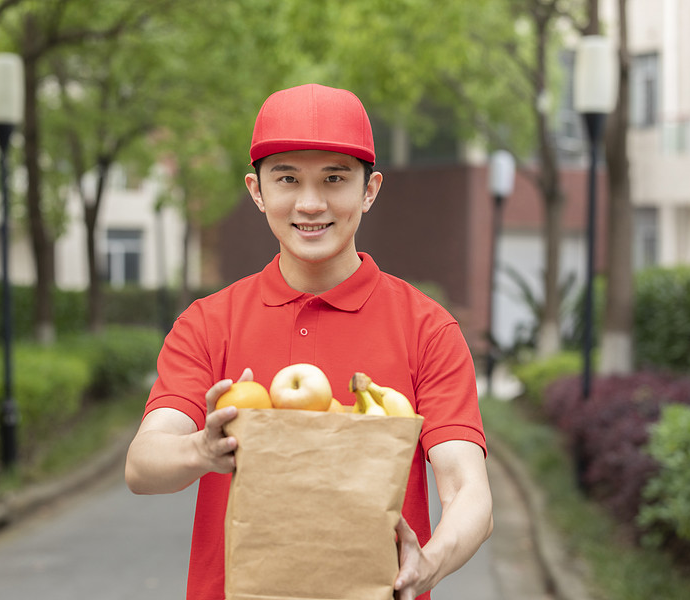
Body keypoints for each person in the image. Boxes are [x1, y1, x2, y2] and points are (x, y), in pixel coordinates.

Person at [125, 83, 493, 600]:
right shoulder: (208, 323)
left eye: (335, 178)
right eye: (288, 179)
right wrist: (203, 449)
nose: (311, 202)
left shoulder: (427, 329)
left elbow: (467, 489)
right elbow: (143, 466)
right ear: (257, 191)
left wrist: (427, 564)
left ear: (370, 189)